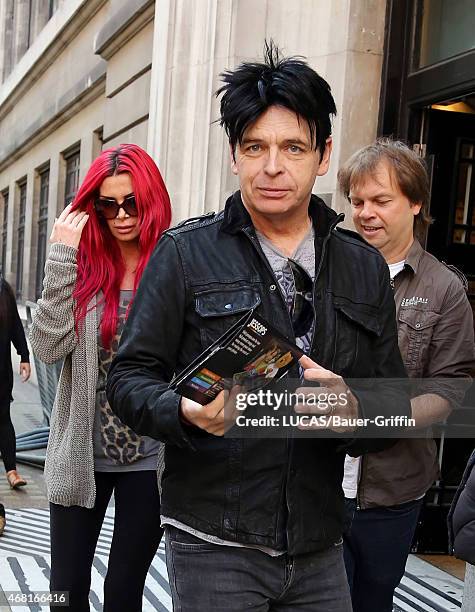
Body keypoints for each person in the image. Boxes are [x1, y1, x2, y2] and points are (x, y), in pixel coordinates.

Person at [107, 43, 410, 611]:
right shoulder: (183, 255)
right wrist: (185, 412)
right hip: (213, 542)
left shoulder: (362, 266)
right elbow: (128, 379)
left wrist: (352, 409)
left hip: (321, 544)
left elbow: (393, 406)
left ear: (322, 156)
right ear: (235, 155)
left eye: (293, 147)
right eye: (256, 147)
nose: (273, 166)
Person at [29, 144, 171, 611]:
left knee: (123, 594)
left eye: (132, 201)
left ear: (150, 199)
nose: (122, 214)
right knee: (64, 594)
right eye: (108, 205)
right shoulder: (84, 269)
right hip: (80, 455)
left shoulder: (173, 265)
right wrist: (61, 258)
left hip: (150, 461)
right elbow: (48, 347)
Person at [338, 138, 475, 612]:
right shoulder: (328, 271)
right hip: (316, 482)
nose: (365, 213)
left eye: (381, 200)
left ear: (415, 203)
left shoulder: (444, 289)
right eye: (357, 201)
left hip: (391, 491)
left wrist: (378, 418)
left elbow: (449, 388)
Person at [0, 273, 31, 489]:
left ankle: (11, 470)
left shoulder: (3, 289)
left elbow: (15, 327)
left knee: (3, 419)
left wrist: (24, 356)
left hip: (0, 372)